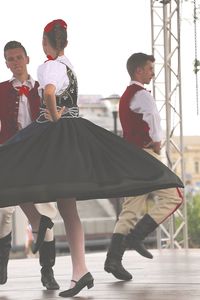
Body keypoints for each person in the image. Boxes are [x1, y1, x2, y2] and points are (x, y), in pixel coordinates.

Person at [0, 21, 183, 297]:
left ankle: (42, 227)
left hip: (54, 134)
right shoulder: (68, 64)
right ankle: (79, 270)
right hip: (73, 135)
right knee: (68, 207)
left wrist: (55, 114)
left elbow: (49, 93)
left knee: (17, 173)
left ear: (44, 42)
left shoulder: (46, 67)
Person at [104, 52, 184, 281]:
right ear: (139, 70)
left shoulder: (127, 95)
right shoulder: (142, 94)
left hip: (131, 156)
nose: (152, 72)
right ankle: (136, 236)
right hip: (145, 154)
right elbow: (153, 119)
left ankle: (113, 259)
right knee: (174, 195)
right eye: (150, 68)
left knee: (131, 207)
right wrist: (157, 143)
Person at [0, 41, 59, 290]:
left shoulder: (41, 88)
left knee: (45, 211)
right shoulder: (1, 89)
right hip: (9, 155)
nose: (14, 63)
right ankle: (1, 270)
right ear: (5, 63)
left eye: (18, 58)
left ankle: (48, 272)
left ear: (27, 58)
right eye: (9, 59)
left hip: (38, 156)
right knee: (3, 212)